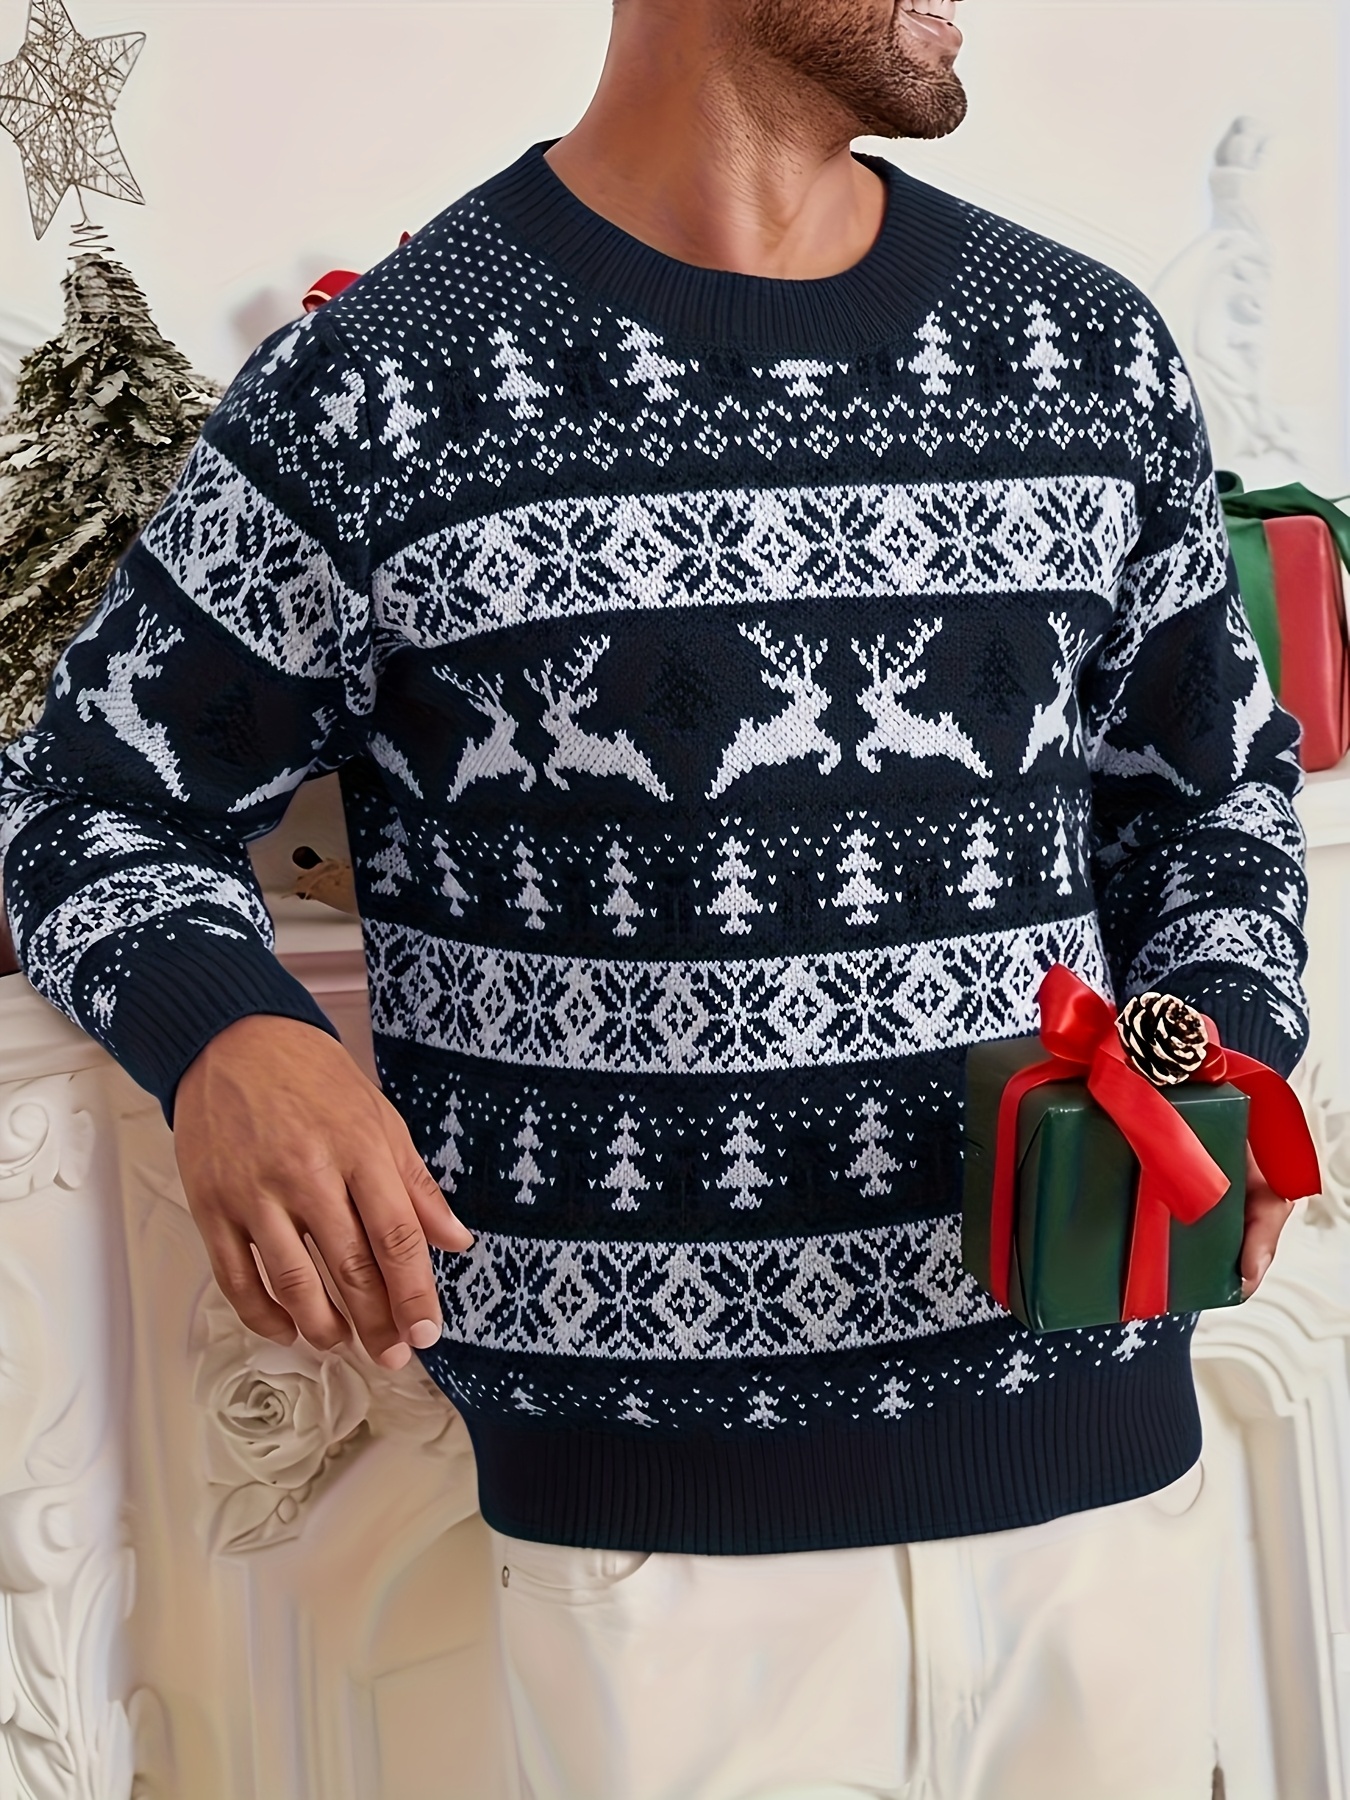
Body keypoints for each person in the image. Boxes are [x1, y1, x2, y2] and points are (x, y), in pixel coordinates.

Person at [0, 1, 1311, 1794]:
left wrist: (1215, 1048)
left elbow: (1212, 783)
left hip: (1103, 1495)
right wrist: (231, 1039)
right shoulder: (379, 388)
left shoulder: (1084, 351)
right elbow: (83, 795)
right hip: (653, 1568)